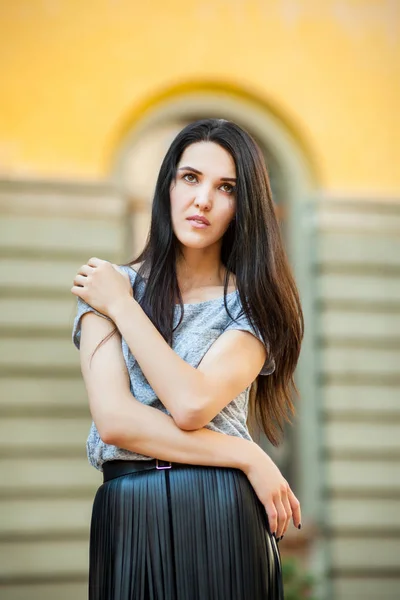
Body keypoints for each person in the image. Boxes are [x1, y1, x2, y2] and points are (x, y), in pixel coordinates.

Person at [71, 118, 304, 600]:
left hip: (221, 508)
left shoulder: (255, 304)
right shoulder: (104, 284)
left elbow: (192, 403)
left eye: (226, 188)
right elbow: (114, 421)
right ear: (168, 186)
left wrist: (123, 307)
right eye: (190, 178)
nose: (203, 200)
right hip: (128, 509)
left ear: (245, 207)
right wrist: (246, 453)